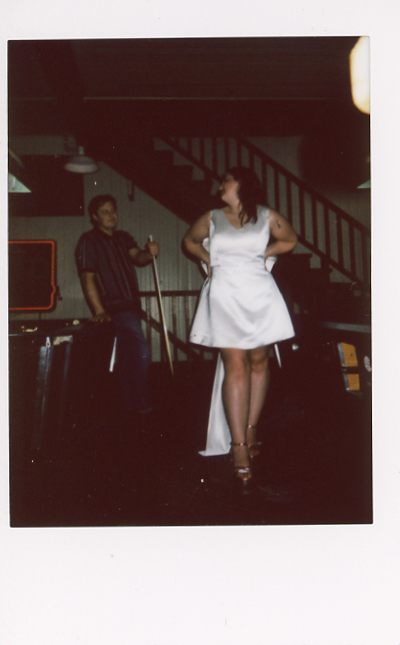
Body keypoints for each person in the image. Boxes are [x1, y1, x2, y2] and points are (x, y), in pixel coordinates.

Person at [183, 167, 298, 486]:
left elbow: (289, 239)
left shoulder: (266, 215)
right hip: (225, 295)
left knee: (259, 362)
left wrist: (267, 252)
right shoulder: (211, 217)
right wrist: (210, 260)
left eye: (227, 180)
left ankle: (250, 428)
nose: (221, 184)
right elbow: (189, 242)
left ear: (243, 184)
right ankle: (238, 447)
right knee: (235, 364)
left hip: (259, 293)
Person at [75, 194, 159, 416]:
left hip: (130, 306)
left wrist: (149, 253)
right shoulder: (88, 240)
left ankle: (128, 404)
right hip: (113, 309)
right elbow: (87, 277)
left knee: (127, 357)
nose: (111, 215)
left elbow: (138, 258)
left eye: (113, 211)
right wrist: (100, 311)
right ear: (94, 216)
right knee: (139, 351)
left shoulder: (123, 237)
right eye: (105, 212)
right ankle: (141, 402)